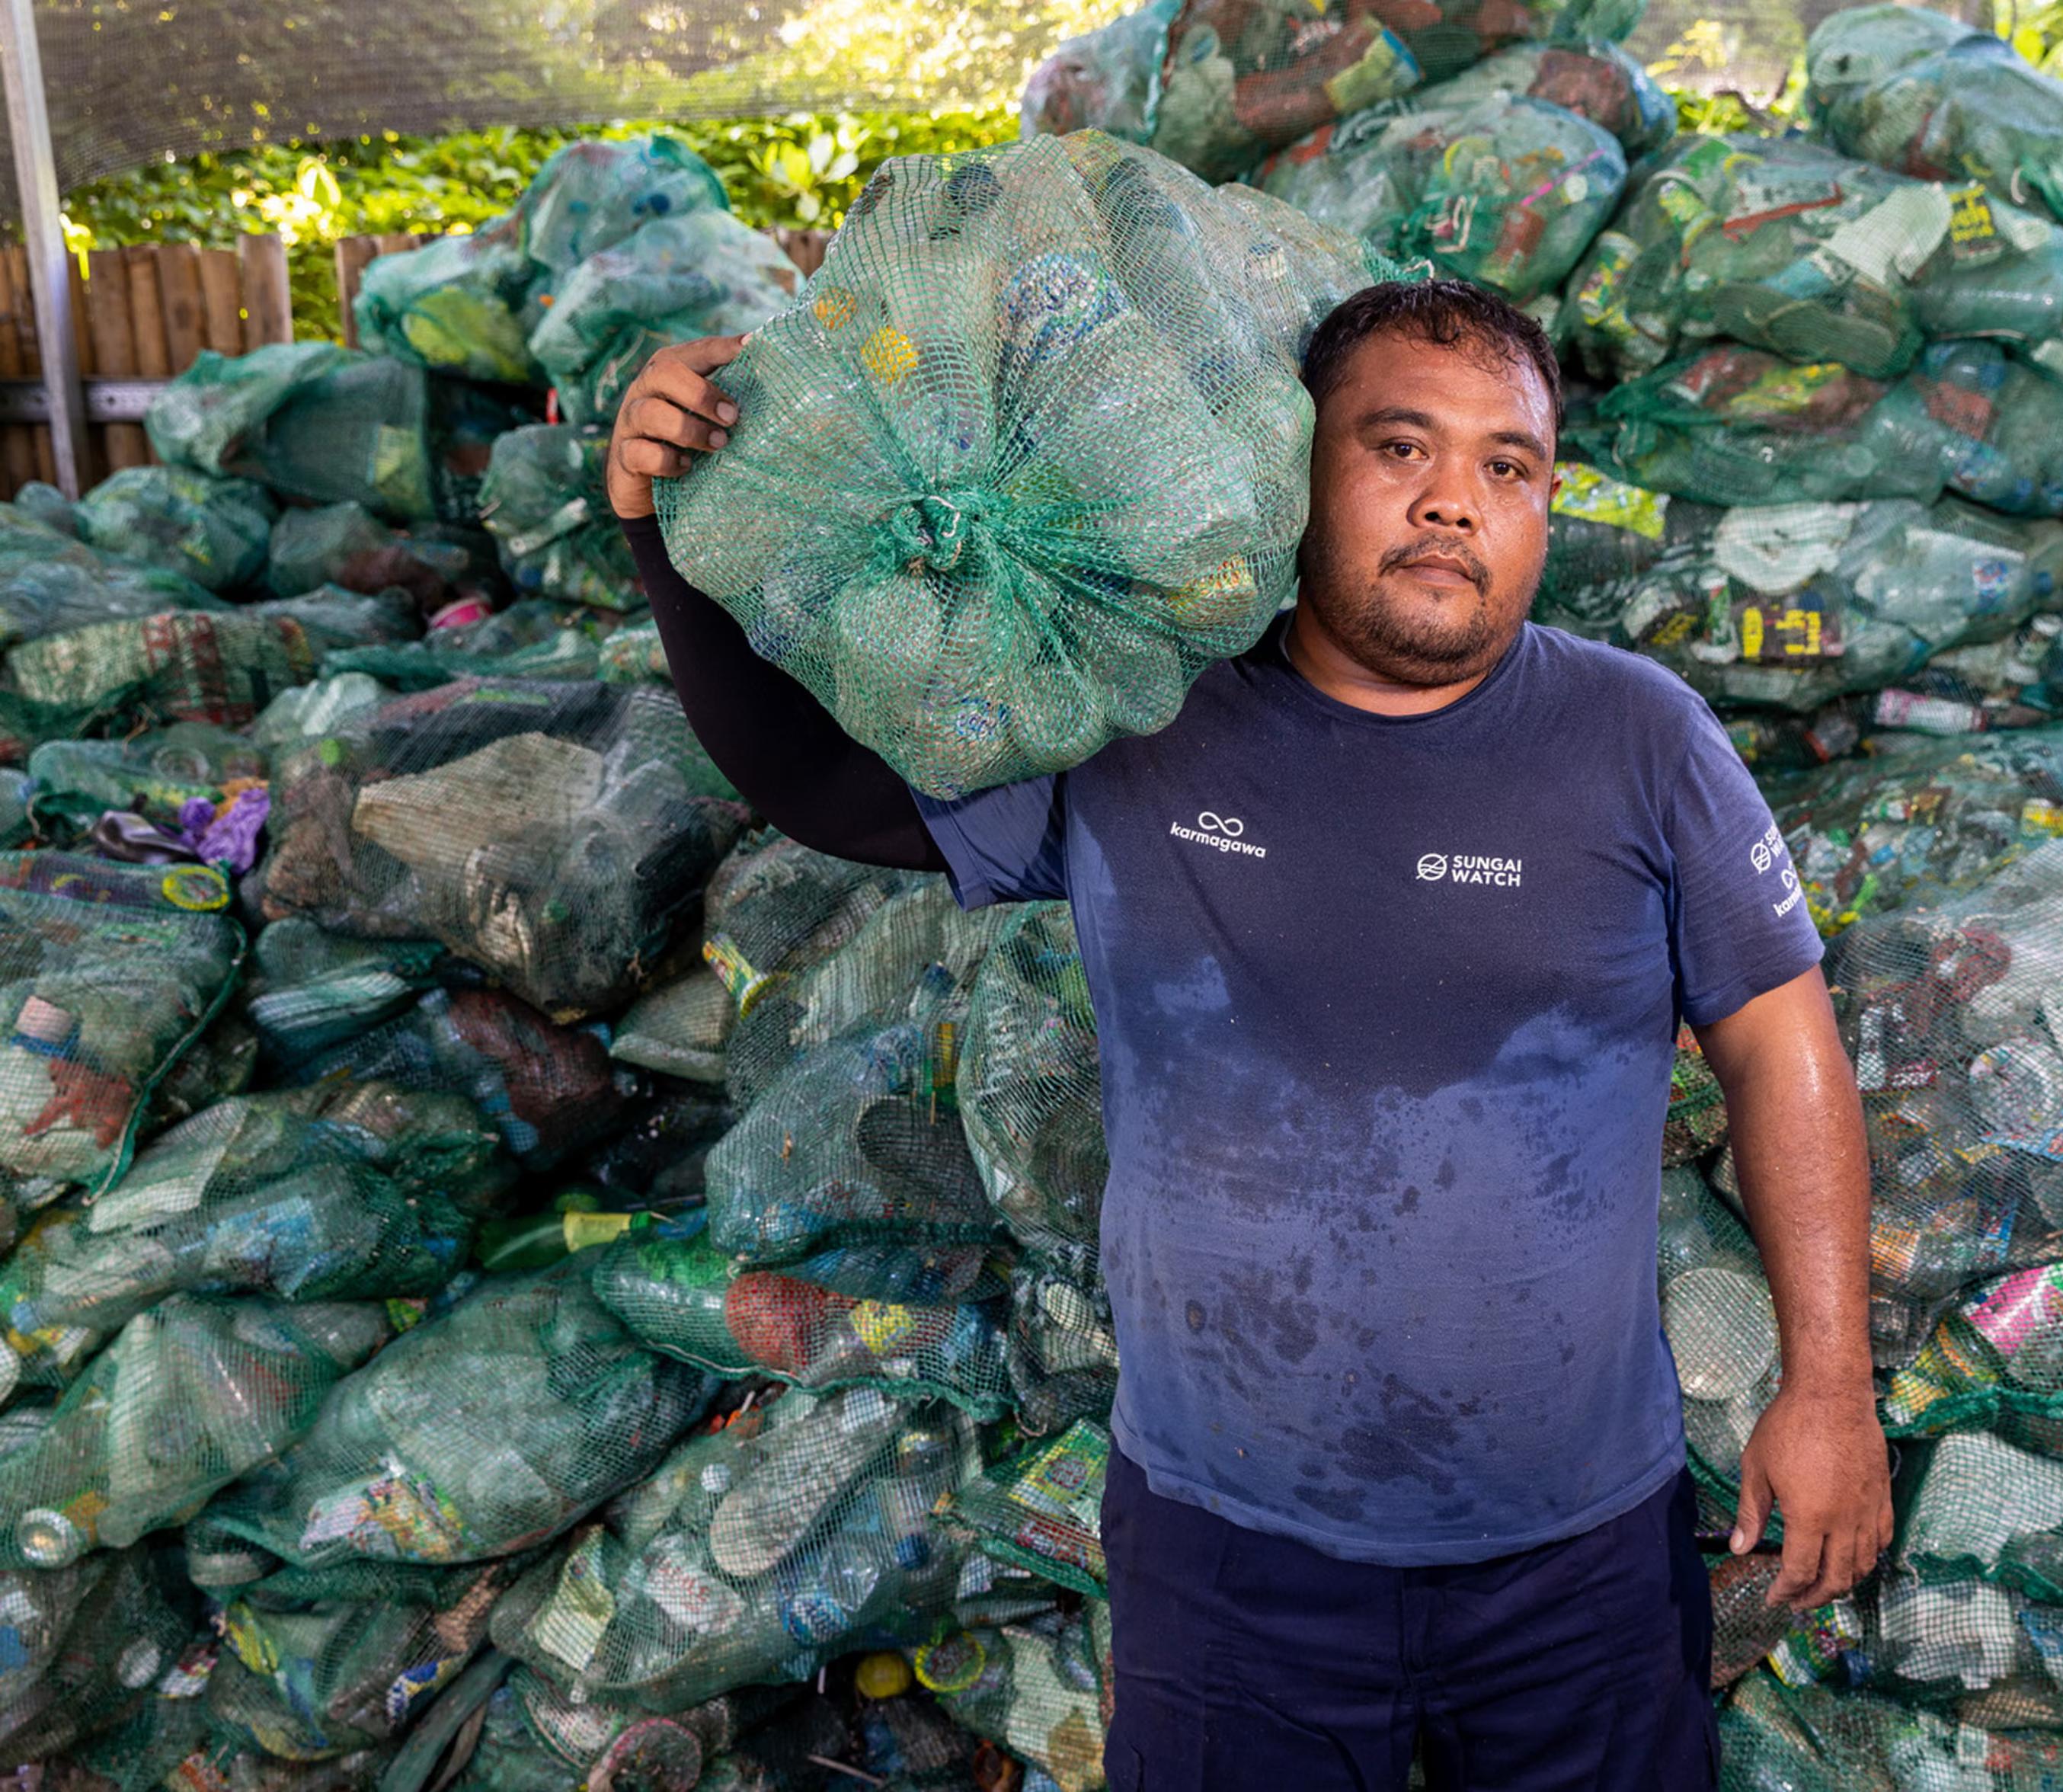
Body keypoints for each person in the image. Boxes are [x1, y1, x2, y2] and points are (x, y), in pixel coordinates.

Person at [611, 277, 1887, 1789]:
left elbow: (1775, 1042)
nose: (1450, 503)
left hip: (1573, 1557)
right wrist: (664, 539)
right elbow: (824, 791)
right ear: (1292, 469)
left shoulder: (1639, 738)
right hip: (1230, 1558)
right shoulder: (1139, 717)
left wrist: (1824, 1388)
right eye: (1397, 447)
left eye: (1505, 465)